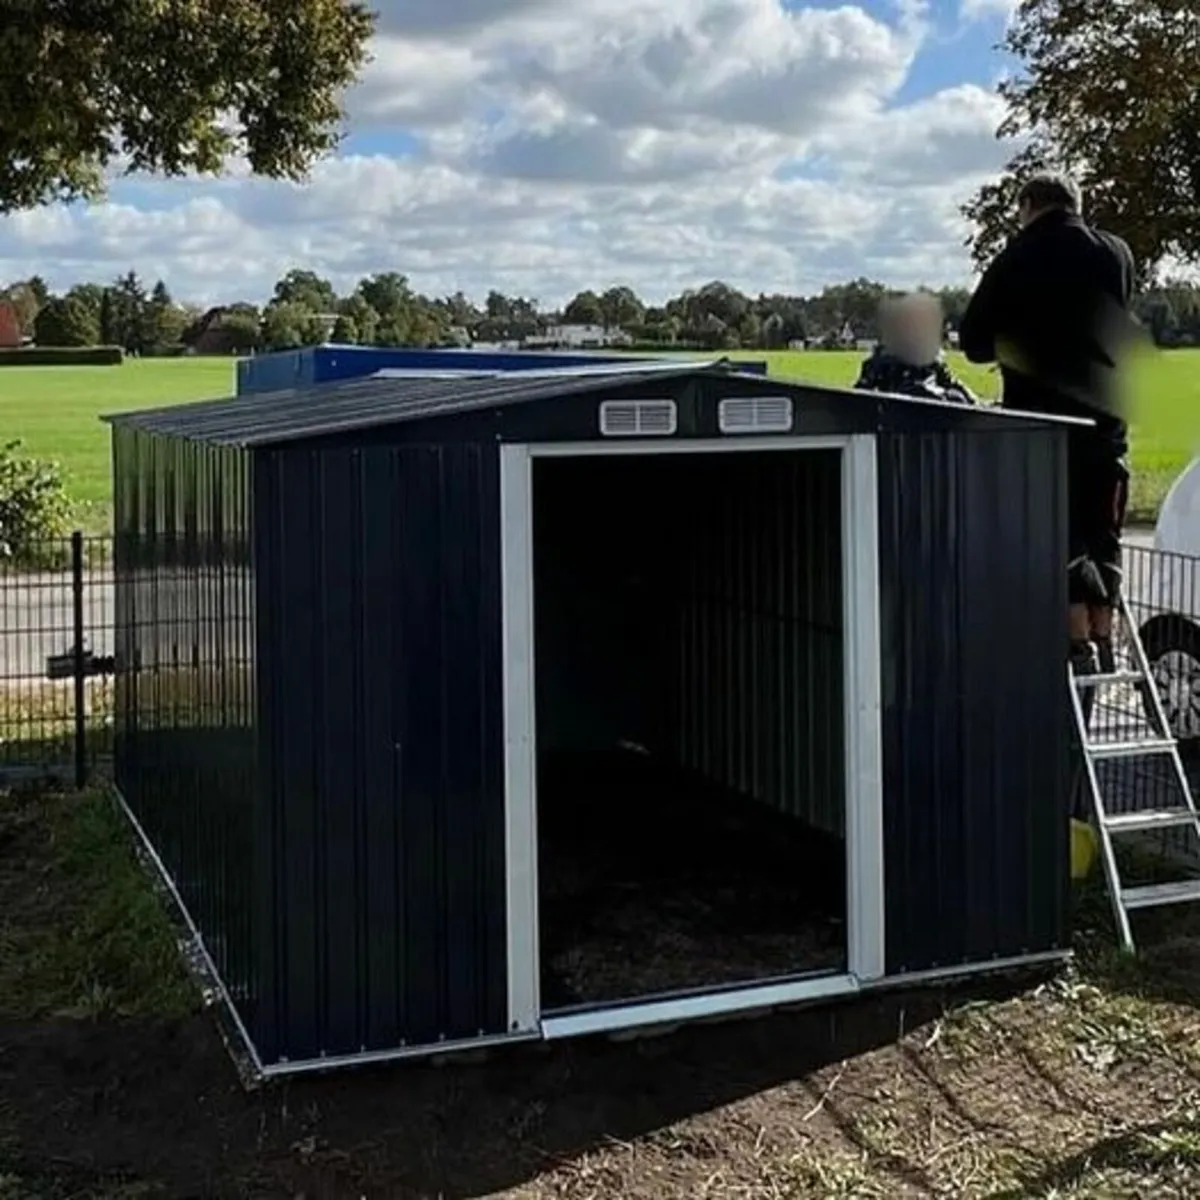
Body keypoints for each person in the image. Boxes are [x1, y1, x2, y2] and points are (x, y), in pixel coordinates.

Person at [958, 172, 1137, 677]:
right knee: (1103, 537)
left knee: (1059, 541)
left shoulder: (1018, 257)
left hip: (1044, 432)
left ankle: (1076, 648)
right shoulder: (1117, 254)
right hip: (1107, 429)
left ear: (1029, 205)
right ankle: (1103, 635)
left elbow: (974, 341)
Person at [855, 293, 975, 405]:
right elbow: (859, 396)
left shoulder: (930, 357)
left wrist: (974, 404)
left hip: (932, 408)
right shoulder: (880, 360)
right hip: (898, 410)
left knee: (956, 397)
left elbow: (952, 383)